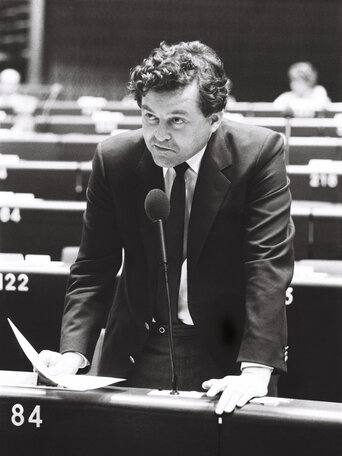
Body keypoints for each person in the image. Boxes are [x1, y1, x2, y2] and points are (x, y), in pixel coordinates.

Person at [39, 41, 295, 414]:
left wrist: (255, 369)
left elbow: (267, 264)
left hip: (229, 352)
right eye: (149, 117)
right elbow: (94, 266)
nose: (159, 135)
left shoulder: (258, 154)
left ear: (215, 117)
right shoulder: (114, 160)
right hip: (137, 346)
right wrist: (72, 354)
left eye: (176, 120)